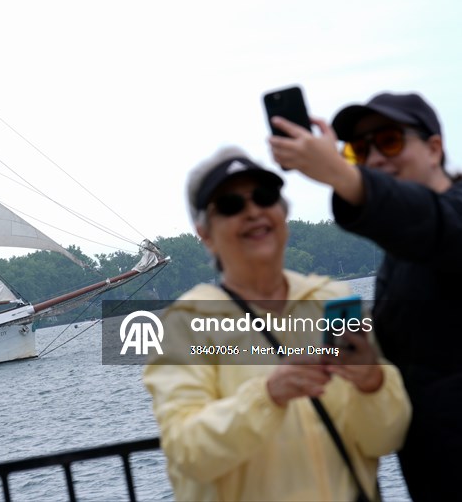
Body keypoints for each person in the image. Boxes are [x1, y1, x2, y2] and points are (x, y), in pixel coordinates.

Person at [268, 91, 462, 500]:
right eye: (360, 151)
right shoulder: (401, 261)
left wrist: (344, 176)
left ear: (434, 148)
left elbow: (442, 227)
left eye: (389, 141)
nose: (376, 159)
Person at [144, 147, 410, 501]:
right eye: (230, 205)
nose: (253, 211)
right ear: (205, 234)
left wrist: (372, 382)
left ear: (283, 212)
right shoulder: (185, 325)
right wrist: (268, 396)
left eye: (264, 196)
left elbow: (385, 438)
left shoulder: (332, 299)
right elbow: (187, 452)